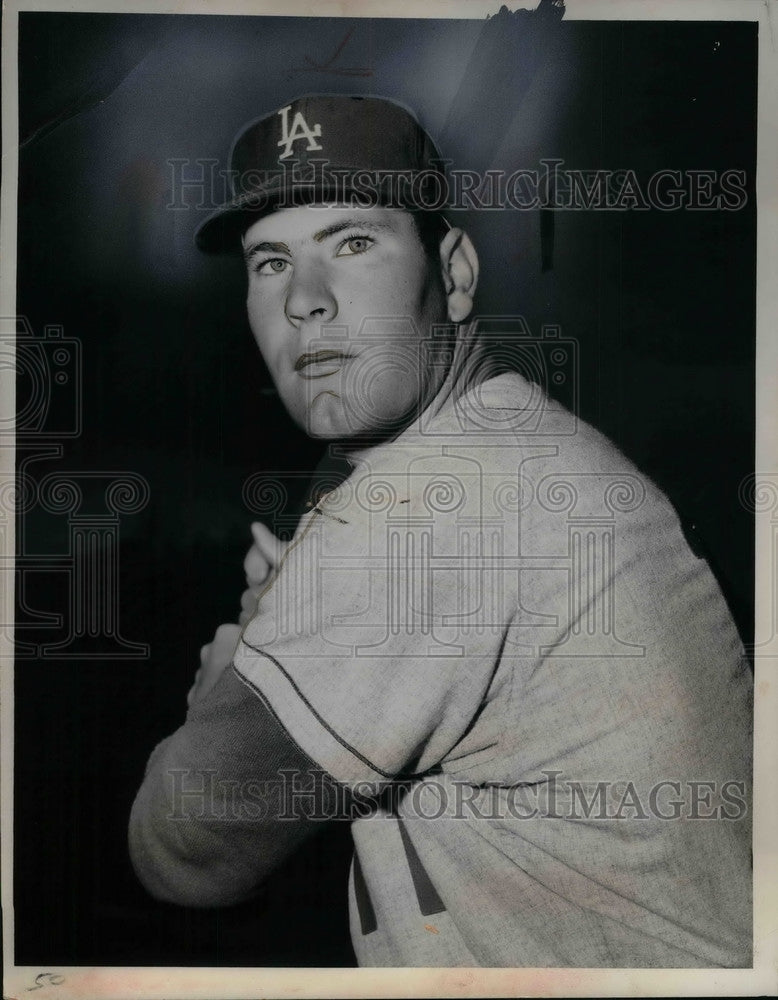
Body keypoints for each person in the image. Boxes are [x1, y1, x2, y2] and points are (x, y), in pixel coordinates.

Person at [129, 94, 752, 967]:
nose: (306, 300)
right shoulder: (508, 443)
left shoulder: (439, 506)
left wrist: (235, 666)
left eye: (353, 243)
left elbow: (184, 846)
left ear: (455, 273)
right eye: (271, 261)